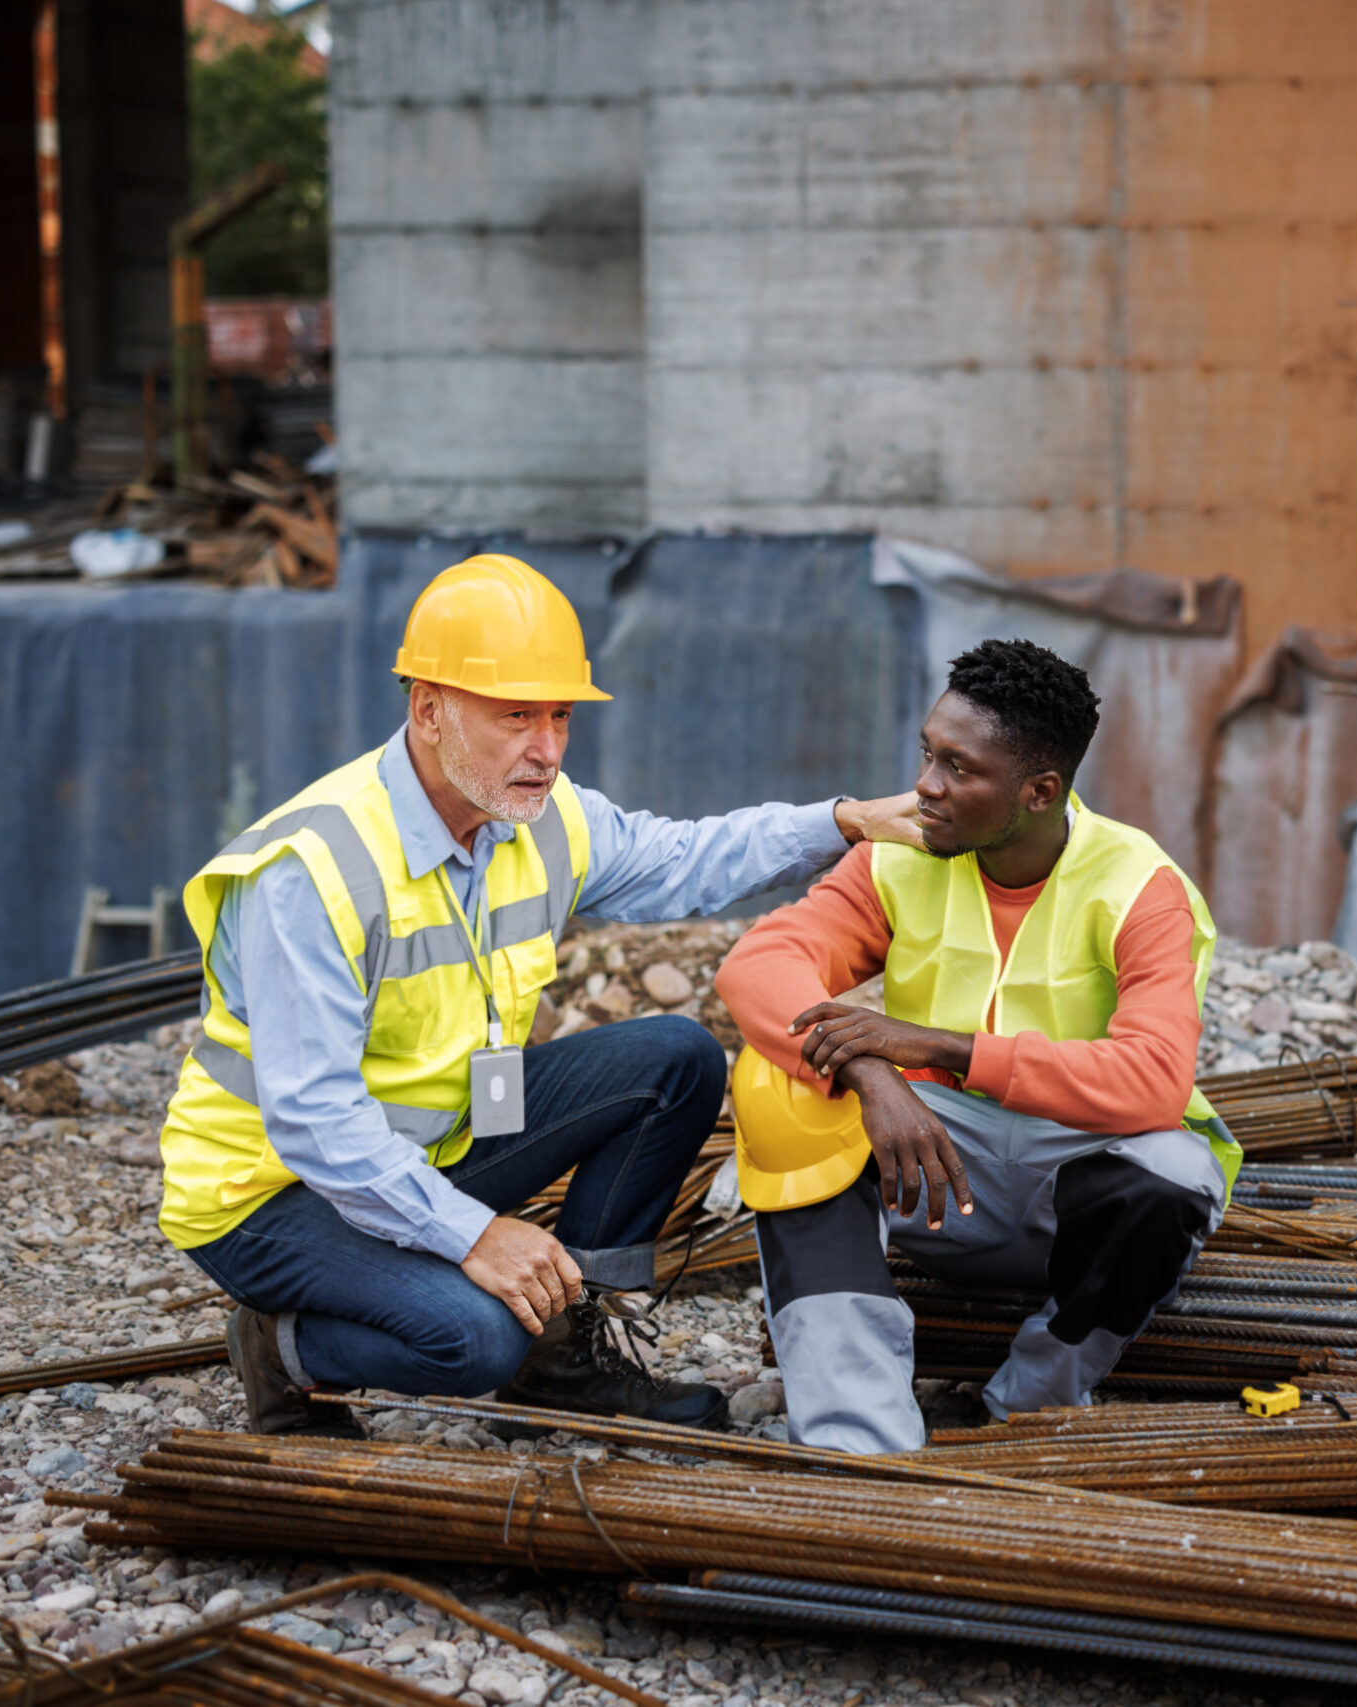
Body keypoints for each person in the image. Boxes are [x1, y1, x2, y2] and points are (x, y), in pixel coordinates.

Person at [158, 553, 919, 1436]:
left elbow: (685, 859)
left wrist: (842, 821)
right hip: (271, 1191)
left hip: (432, 1139)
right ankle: (280, 1346)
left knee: (672, 1059)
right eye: (516, 714)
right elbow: (316, 1120)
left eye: (559, 715)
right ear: (429, 710)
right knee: (476, 1338)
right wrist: (475, 1237)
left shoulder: (537, 818)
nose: (548, 748)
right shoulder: (315, 870)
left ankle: (561, 1357)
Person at [716, 638, 1238, 1454]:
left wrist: (940, 1045)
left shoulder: (1139, 885)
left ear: (1039, 791)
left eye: (960, 768)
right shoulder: (903, 853)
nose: (926, 785)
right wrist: (870, 1071)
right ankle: (861, 1439)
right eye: (928, 753)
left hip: (1067, 1194)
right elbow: (758, 966)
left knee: (1172, 1170)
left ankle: (1029, 1405)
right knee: (775, 1084)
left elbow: (1154, 1082)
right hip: (927, 1171)